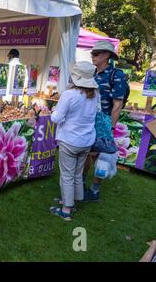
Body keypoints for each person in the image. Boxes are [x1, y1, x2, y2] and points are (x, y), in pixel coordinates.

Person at [50, 61, 99, 220]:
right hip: (86, 140)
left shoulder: (69, 94)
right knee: (77, 174)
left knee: (67, 175)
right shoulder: (95, 94)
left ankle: (66, 210)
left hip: (70, 140)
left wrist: (53, 111)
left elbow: (56, 118)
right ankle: (70, 201)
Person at [83, 40, 126, 202]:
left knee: (101, 157)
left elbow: (118, 104)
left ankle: (94, 191)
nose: (93, 56)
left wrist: (111, 129)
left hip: (105, 121)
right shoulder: (92, 73)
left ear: (107, 55)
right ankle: (80, 186)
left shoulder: (117, 75)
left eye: (97, 53)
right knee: (85, 153)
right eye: (92, 53)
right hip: (88, 120)